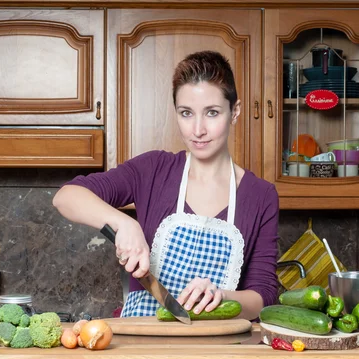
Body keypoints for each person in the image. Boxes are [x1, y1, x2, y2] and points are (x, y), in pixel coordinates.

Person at [53, 51, 280, 320]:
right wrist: (124, 223)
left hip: (218, 351)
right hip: (144, 347)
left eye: (212, 113)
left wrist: (222, 296)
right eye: (186, 113)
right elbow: (66, 197)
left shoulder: (261, 195)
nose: (198, 130)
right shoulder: (153, 170)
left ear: (235, 112)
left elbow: (264, 294)